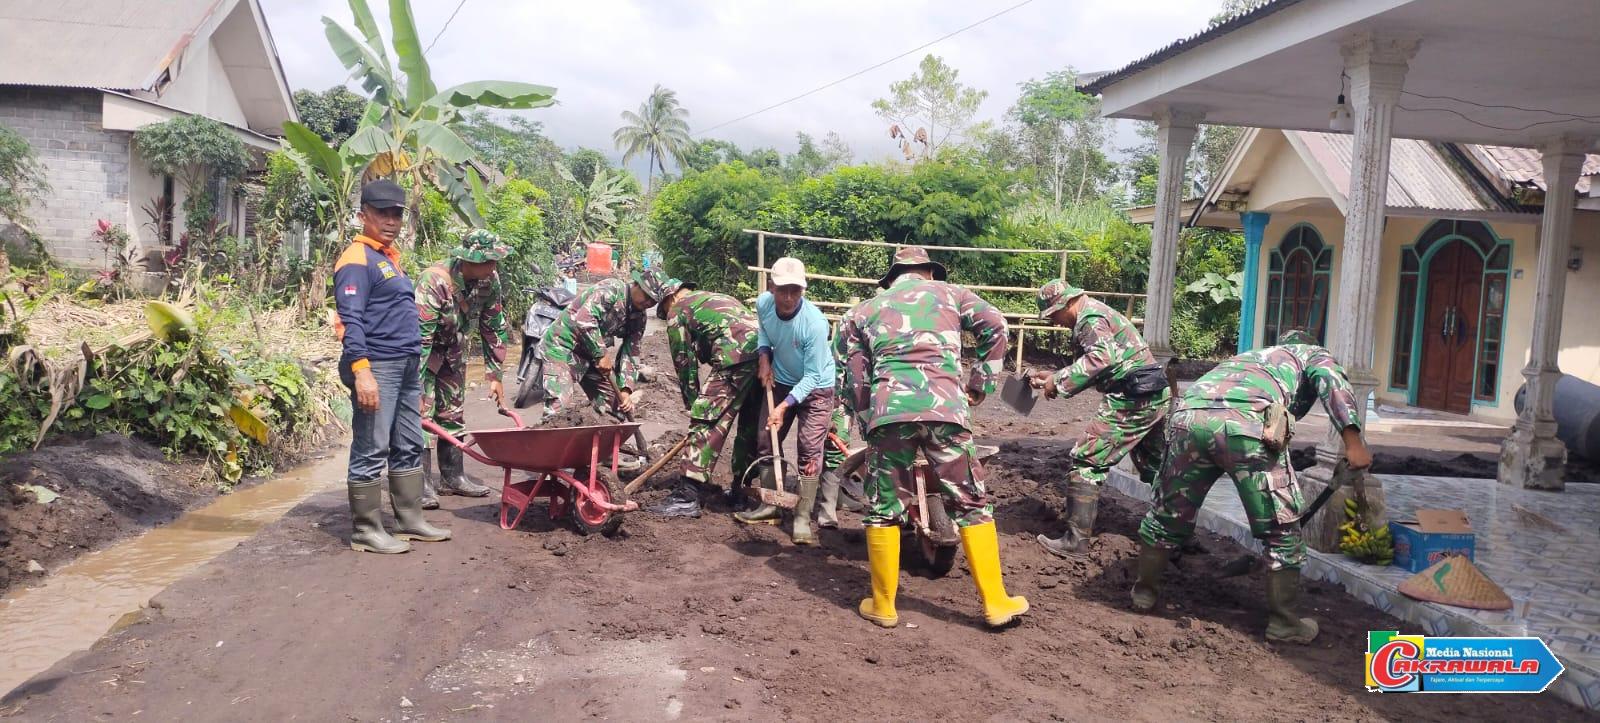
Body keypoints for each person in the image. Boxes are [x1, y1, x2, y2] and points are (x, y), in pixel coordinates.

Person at [1131, 330, 1372, 644]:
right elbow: (1333, 383)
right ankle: (1284, 623)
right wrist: (1353, 443)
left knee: (1166, 517)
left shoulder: (1251, 359)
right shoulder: (1312, 354)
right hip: (1245, 425)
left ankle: (1143, 594)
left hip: (1187, 419)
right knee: (1282, 531)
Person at [835, 246, 1026, 630]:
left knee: (883, 507)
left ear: (892, 279)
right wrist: (980, 384)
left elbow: (853, 375)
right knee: (971, 502)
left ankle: (884, 605)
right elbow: (997, 326)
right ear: (929, 274)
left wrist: (867, 416)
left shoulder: (862, 311)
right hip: (947, 410)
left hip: (890, 414)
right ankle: (995, 603)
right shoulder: (952, 294)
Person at [332, 179, 450, 554]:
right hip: (377, 364)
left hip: (404, 366)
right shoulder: (356, 259)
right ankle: (366, 529)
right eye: (382, 213)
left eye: (397, 214)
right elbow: (350, 320)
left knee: (409, 443)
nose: (390, 220)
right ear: (362, 214)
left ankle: (409, 519)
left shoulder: (387, 258)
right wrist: (362, 371)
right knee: (372, 445)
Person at [1028, 280, 1171, 559]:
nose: (1056, 323)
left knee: (1086, 460)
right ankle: (1176, 536)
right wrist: (1054, 378)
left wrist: (1058, 381)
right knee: (1158, 467)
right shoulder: (1095, 313)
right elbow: (1105, 364)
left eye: (1055, 315)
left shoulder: (1088, 318)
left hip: (1133, 398)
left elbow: (1100, 360)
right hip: (1151, 394)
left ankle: (1075, 541)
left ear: (1068, 304)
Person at [735, 257, 836, 546]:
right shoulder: (763, 304)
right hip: (782, 378)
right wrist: (764, 357)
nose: (789, 297)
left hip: (817, 388)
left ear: (803, 289)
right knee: (766, 438)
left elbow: (814, 375)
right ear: (771, 287)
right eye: (783, 290)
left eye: (795, 290)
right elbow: (765, 330)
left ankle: (802, 517)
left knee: (808, 449)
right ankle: (771, 506)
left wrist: (783, 406)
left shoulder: (815, 324)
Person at [414, 229, 512, 508]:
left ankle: (452, 477)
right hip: (426, 353)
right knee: (421, 414)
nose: (494, 266)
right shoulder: (434, 281)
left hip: (454, 353)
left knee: (452, 413)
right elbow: (419, 339)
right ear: (469, 260)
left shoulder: (489, 280)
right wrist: (415, 387)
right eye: (488, 260)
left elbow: (493, 325)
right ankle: (419, 485)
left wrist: (495, 375)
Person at [653, 282, 763, 518]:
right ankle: (739, 492)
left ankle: (687, 496)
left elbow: (684, 362)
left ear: (669, 298)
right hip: (763, 356)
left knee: (707, 420)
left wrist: (694, 405)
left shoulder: (678, 309)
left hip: (734, 356)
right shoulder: (714, 297)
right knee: (749, 426)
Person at [538, 268, 672, 423]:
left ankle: (598, 443)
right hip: (562, 346)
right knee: (559, 410)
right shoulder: (612, 290)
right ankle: (549, 442)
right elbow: (584, 319)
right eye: (647, 296)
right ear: (636, 284)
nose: (648, 303)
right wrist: (601, 353)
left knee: (616, 405)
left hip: (590, 356)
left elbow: (631, 352)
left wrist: (626, 389)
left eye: (653, 301)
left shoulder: (639, 318)